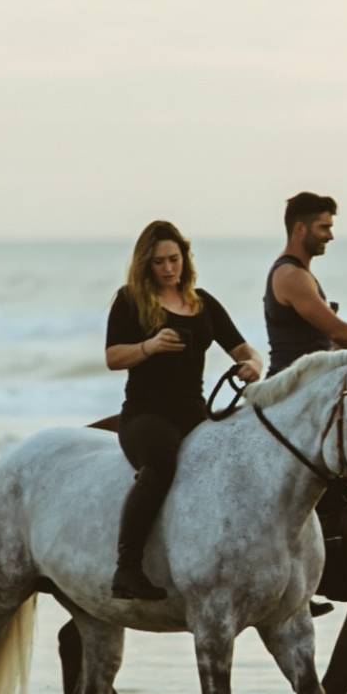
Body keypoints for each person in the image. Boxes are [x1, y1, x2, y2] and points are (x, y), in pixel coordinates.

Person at [104, 220, 264, 600]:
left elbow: (243, 349)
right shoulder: (130, 300)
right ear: (146, 264)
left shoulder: (202, 302)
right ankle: (127, 568)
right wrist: (150, 346)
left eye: (174, 259)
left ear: (185, 259)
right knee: (161, 463)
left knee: (248, 460)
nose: (168, 268)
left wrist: (253, 365)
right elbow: (112, 357)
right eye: (159, 261)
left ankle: (261, 567)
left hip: (194, 412)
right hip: (145, 413)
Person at [264, 192, 347, 375]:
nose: (330, 236)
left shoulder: (299, 273)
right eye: (324, 228)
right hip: (292, 385)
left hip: (310, 381)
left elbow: (324, 342)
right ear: (300, 229)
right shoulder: (291, 275)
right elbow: (338, 332)